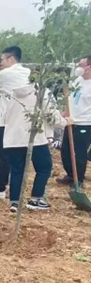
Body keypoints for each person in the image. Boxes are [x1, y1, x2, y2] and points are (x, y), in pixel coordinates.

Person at [3, 82, 67, 212]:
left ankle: (14, 202)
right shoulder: (42, 91)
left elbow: (5, 115)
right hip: (35, 137)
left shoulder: (12, 92)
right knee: (44, 167)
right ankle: (36, 198)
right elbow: (51, 114)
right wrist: (65, 122)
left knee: (16, 170)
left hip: (14, 137)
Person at [0, 47, 31, 199]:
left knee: (3, 156)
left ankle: (0, 188)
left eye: (2, 59)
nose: (0, 62)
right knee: (19, 158)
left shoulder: (5, 74)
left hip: (7, 120)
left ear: (11, 59)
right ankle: (17, 191)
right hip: (25, 121)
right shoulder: (28, 73)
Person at [57, 55, 91, 187]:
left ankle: (79, 179)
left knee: (79, 153)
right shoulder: (78, 81)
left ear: (89, 67)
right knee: (65, 151)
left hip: (85, 123)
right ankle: (70, 175)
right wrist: (65, 113)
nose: (78, 67)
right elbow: (70, 98)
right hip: (71, 121)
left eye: (81, 65)